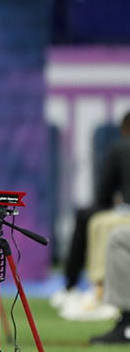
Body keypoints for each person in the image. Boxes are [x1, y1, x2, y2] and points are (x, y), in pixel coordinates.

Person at [52, 111, 130, 319]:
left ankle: (94, 290)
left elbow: (103, 194)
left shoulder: (120, 149)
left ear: (124, 130)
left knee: (98, 223)